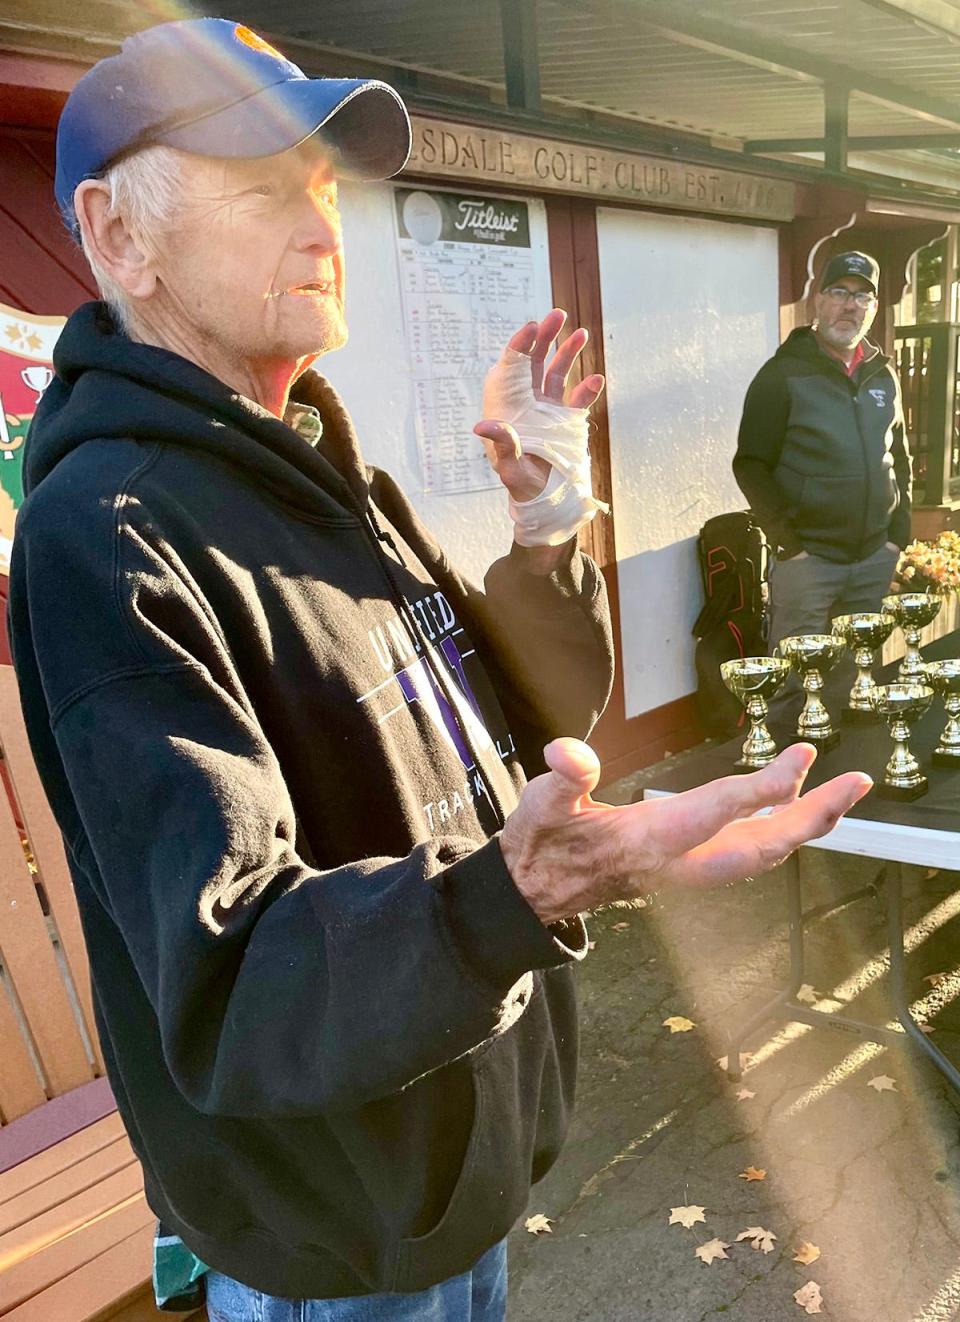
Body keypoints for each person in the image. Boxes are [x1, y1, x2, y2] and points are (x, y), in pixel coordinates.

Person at [10, 19, 872, 1322]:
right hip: (337, 1227)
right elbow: (234, 977)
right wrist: (527, 886)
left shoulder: (322, 467)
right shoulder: (112, 537)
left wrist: (545, 530)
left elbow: (528, 725)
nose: (321, 224)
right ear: (119, 237)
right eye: (261, 186)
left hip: (455, 1161)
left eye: (320, 184)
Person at [733, 251, 911, 665]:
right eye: (839, 292)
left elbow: (898, 458)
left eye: (862, 296)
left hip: (872, 559)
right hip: (808, 562)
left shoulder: (882, 375)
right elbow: (750, 465)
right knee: (795, 681)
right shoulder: (782, 375)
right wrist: (789, 545)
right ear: (818, 300)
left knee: (856, 678)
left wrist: (896, 536)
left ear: (872, 309)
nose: (850, 304)